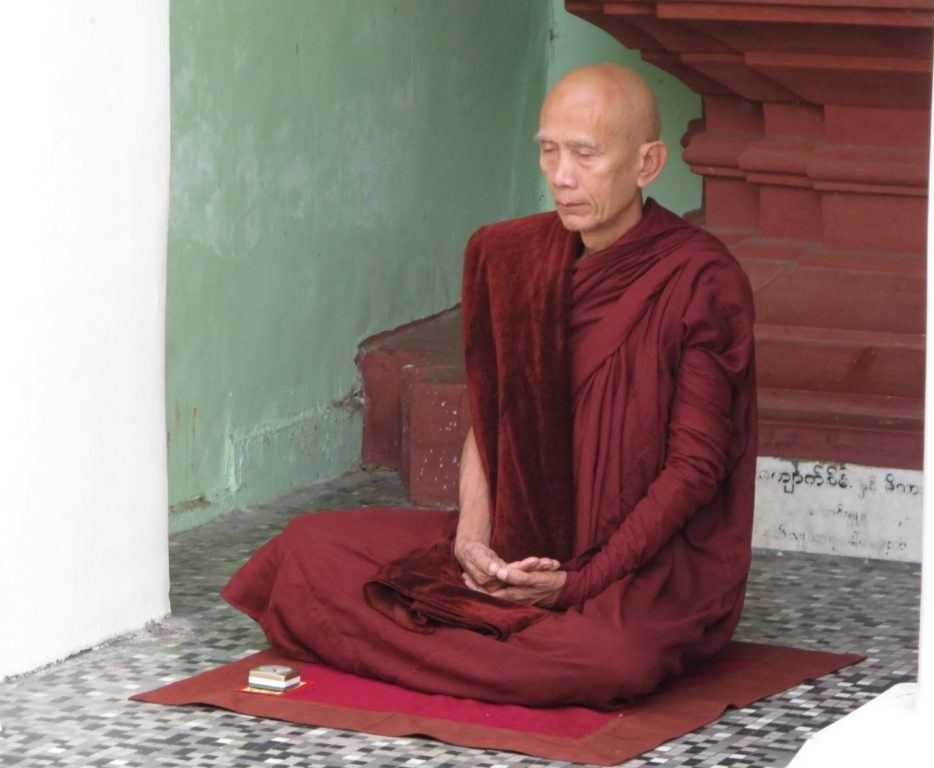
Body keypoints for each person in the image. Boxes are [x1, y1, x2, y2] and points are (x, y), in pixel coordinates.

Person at [222, 62, 757, 709]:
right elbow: (493, 419)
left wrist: (580, 582)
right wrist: (472, 541)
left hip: (634, 567)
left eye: (585, 155)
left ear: (648, 164)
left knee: (610, 661)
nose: (562, 177)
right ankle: (498, 638)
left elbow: (695, 468)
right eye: (549, 152)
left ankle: (479, 640)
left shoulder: (700, 277)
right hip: (518, 537)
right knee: (302, 553)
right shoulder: (512, 256)